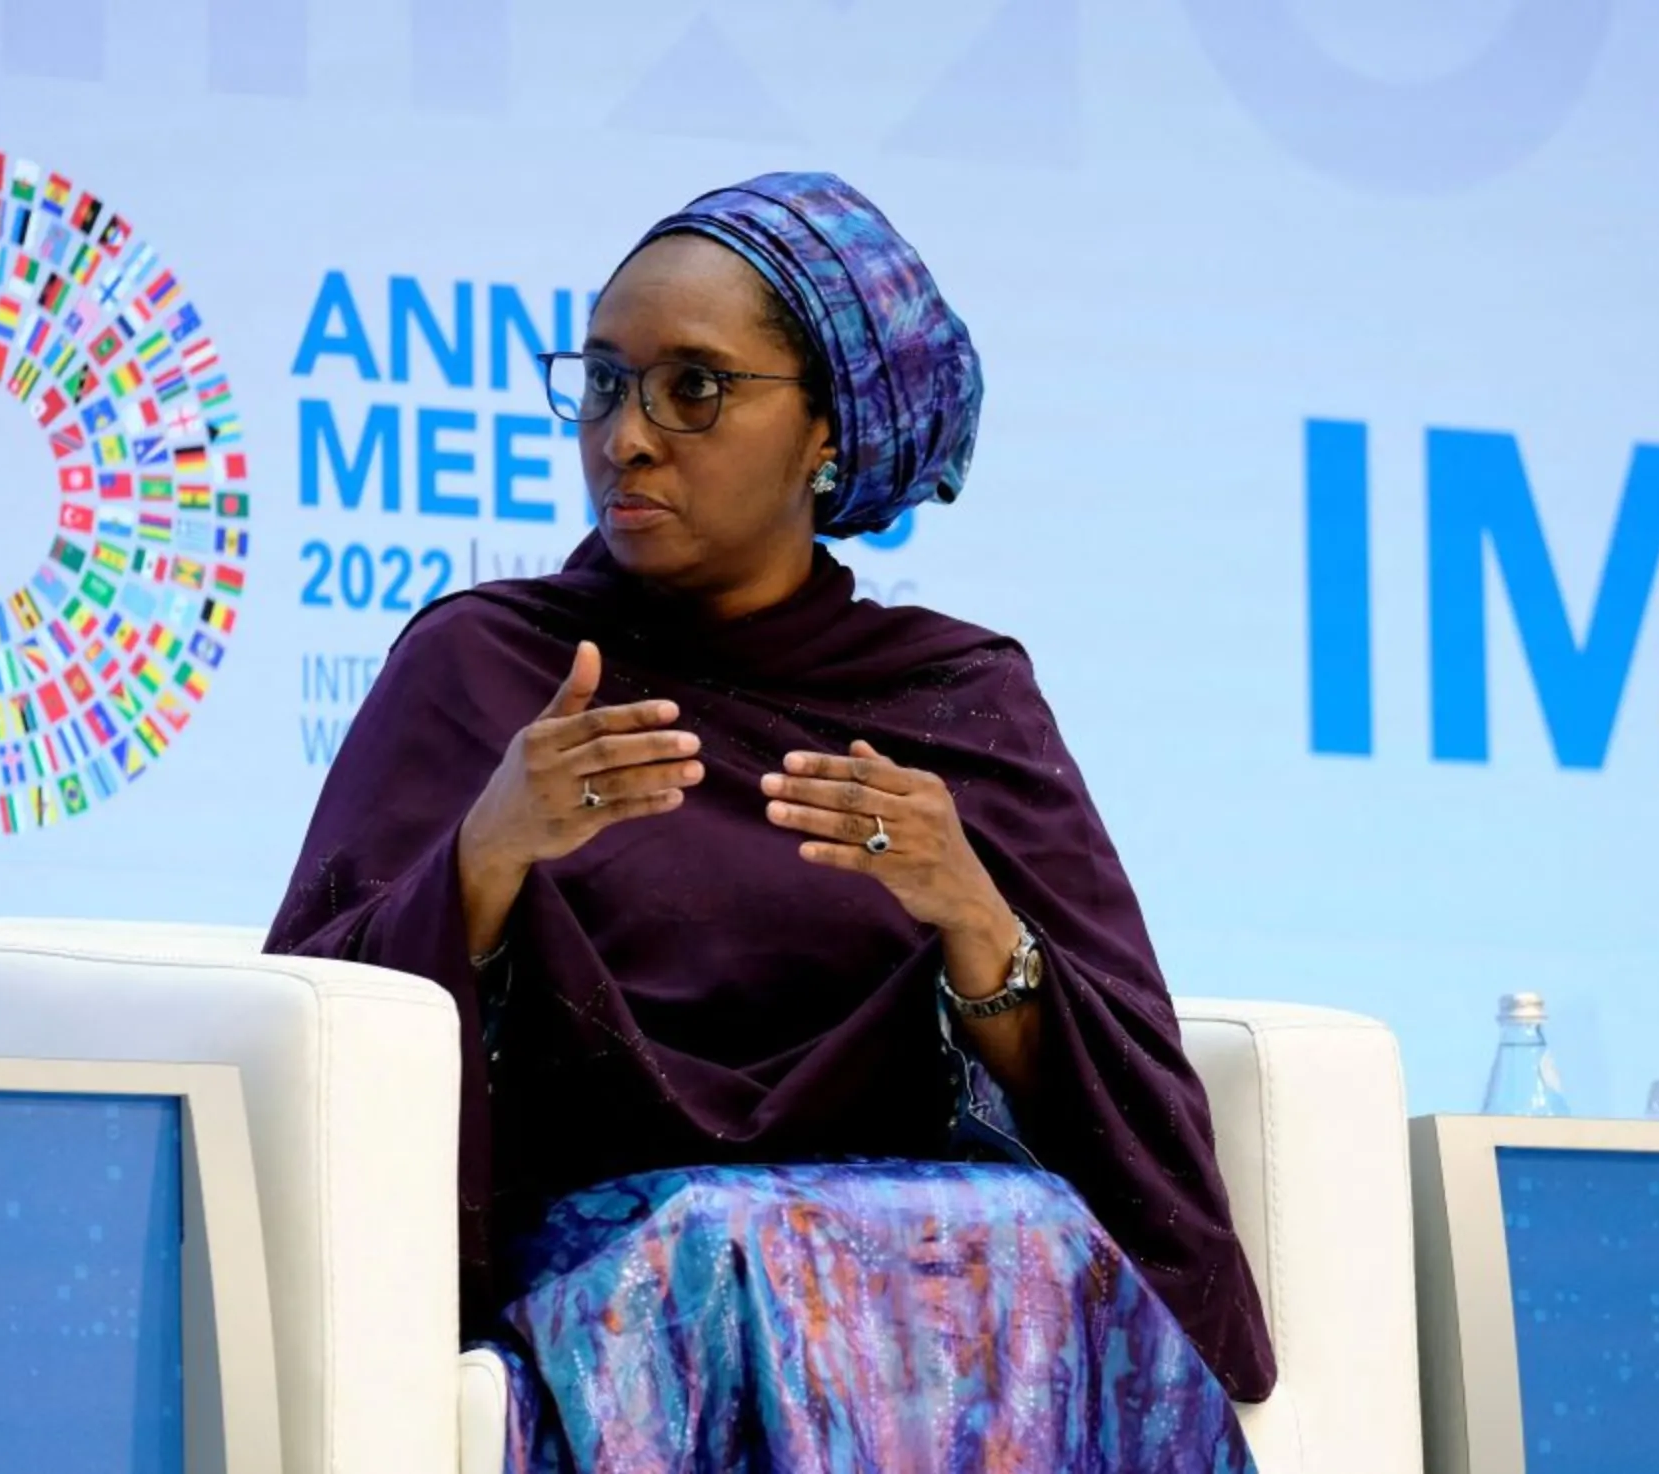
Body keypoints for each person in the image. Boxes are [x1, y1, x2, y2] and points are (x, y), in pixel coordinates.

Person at [265, 172, 1272, 1472]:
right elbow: (318, 1041)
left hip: (923, 1253)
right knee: (723, 1254)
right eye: (604, 384)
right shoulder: (486, 668)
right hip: (615, 1255)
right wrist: (484, 858)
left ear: (825, 435)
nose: (626, 437)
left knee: (1033, 1247)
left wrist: (972, 915)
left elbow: (1137, 1123)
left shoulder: (957, 702)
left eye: (694, 388)